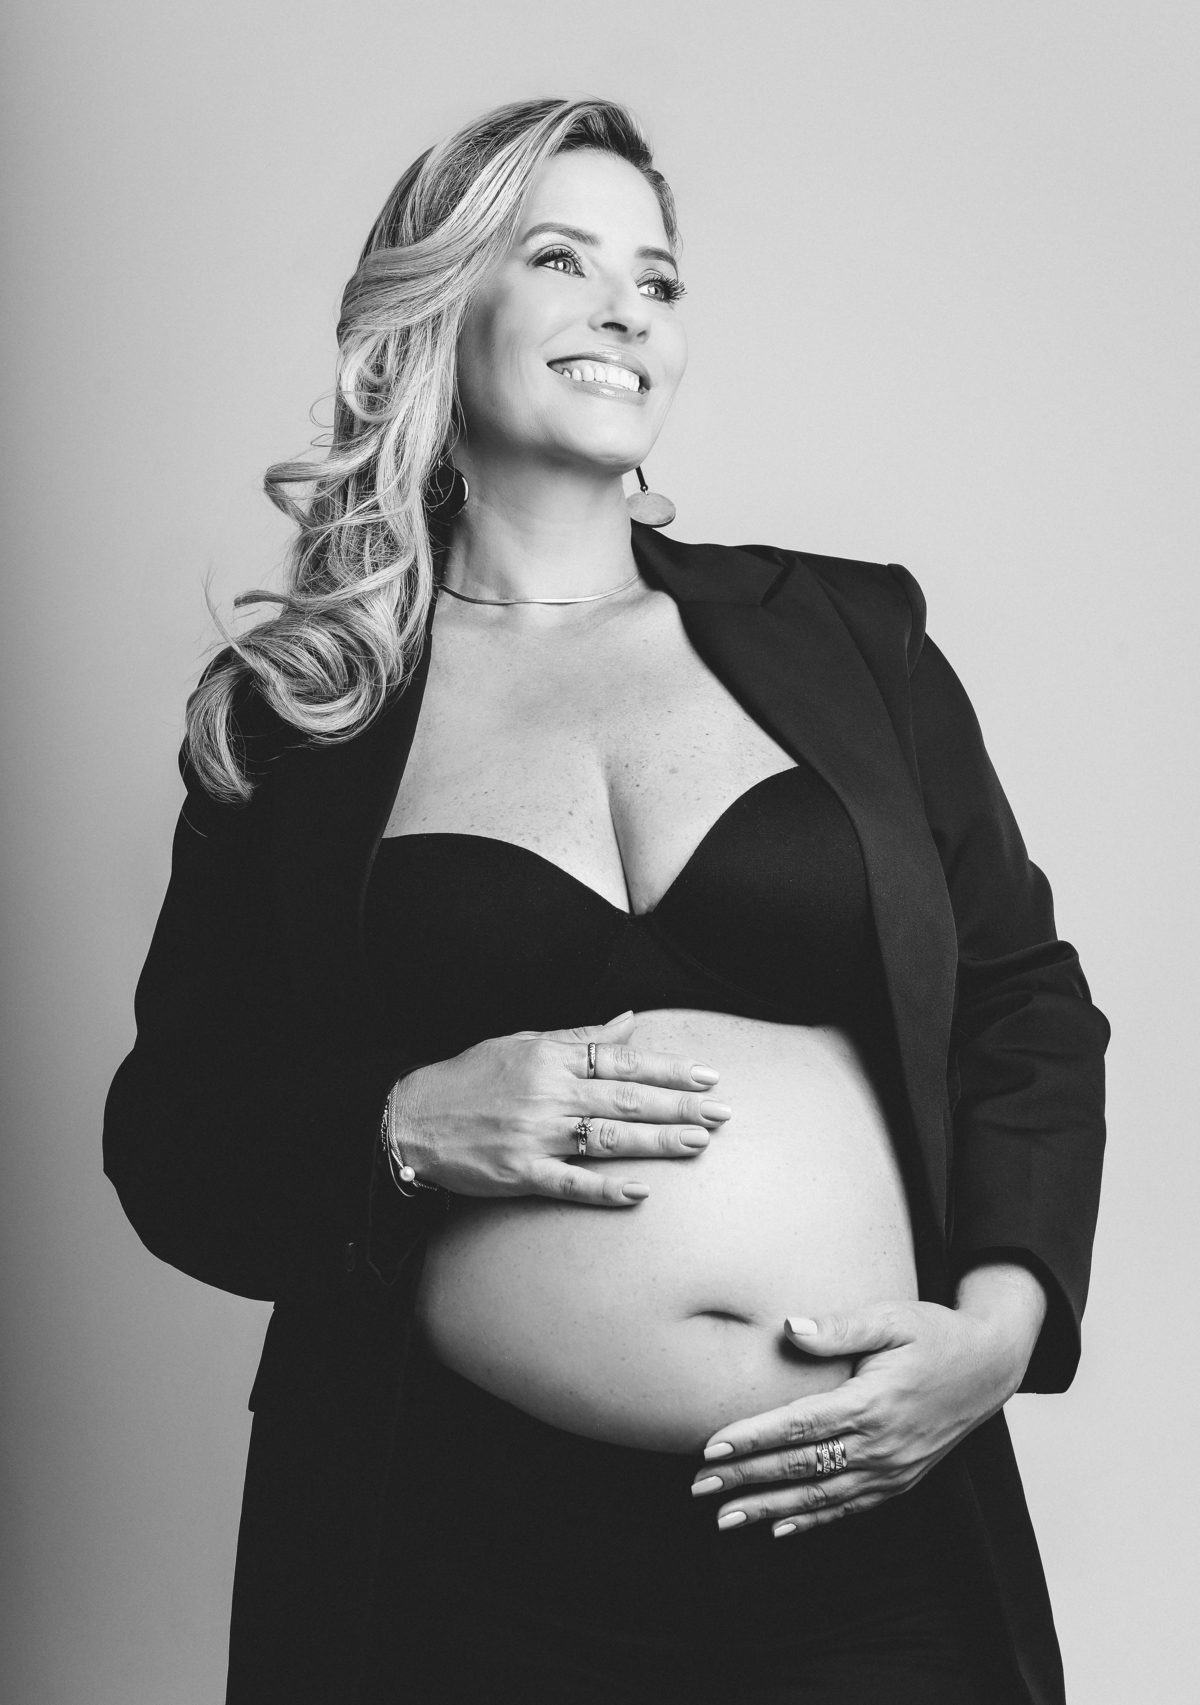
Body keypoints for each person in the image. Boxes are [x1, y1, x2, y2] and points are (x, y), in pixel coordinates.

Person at [103, 97, 1108, 1705]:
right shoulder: (301, 717)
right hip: (457, 1553)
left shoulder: (849, 638)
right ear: (440, 308)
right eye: (562, 259)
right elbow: (173, 1132)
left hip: (869, 1516)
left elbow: (1022, 998)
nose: (625, 308)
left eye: (658, 278)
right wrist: (401, 1123)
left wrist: (998, 1327)